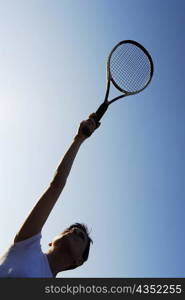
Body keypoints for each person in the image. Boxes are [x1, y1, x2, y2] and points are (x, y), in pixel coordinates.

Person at [0, 114, 100, 278]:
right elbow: (57, 184)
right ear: (51, 241)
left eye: (81, 236)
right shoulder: (27, 244)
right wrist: (79, 139)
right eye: (69, 229)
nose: (73, 231)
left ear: (78, 261)